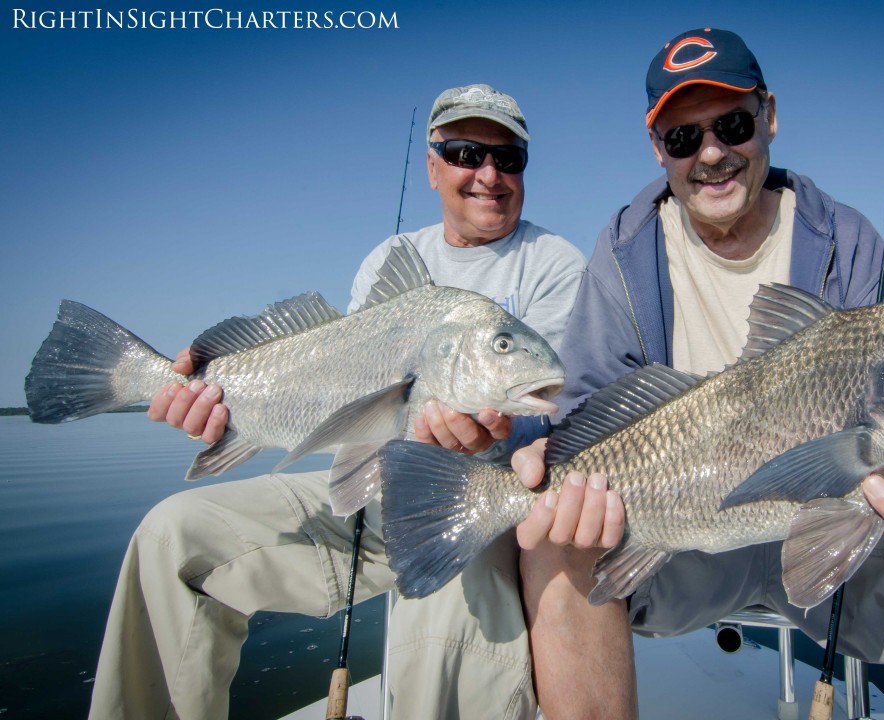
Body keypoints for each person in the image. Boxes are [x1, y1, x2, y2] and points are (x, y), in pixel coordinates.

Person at [511, 29, 884, 720]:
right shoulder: (622, 253)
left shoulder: (847, 236)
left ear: (768, 115)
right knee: (550, 537)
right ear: (659, 149)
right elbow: (588, 404)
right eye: (684, 139)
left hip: (852, 531)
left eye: (732, 125)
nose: (711, 154)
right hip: (674, 534)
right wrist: (546, 456)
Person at [89, 83, 585, 720]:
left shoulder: (554, 264)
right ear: (433, 166)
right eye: (465, 153)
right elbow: (351, 418)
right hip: (365, 491)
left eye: (508, 158)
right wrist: (212, 402)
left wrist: (488, 440)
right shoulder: (392, 259)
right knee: (172, 534)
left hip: (481, 504)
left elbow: (550, 413)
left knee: (442, 579)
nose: (488, 174)